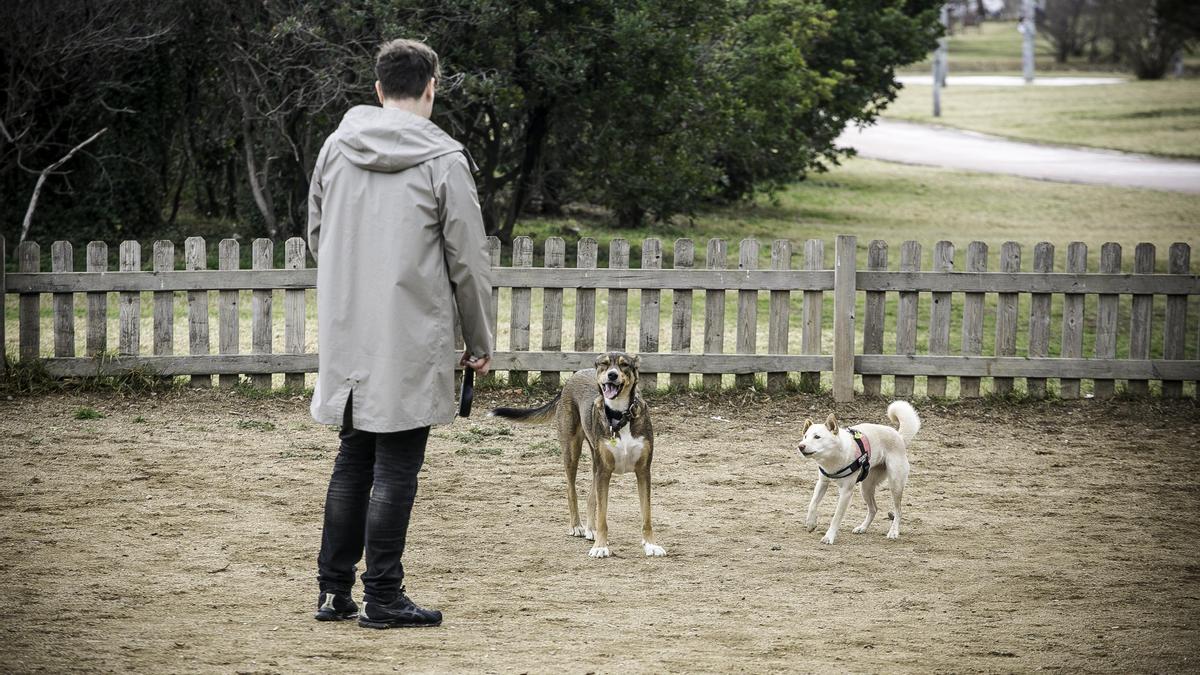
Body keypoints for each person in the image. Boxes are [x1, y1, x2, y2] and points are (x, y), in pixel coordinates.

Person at [306, 38, 494, 629]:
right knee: (394, 468)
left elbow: (317, 234)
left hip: (349, 331)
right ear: (431, 87)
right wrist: (480, 339)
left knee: (353, 458)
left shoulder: (336, 148)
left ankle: (334, 592)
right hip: (412, 334)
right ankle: (384, 597)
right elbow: (468, 260)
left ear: (379, 88)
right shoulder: (445, 160)